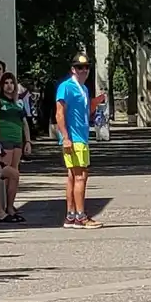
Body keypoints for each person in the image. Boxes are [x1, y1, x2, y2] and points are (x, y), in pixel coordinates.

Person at [56, 55, 100, 228]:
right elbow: (59, 113)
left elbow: (84, 112)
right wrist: (66, 137)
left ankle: (71, 215)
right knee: (80, 176)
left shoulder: (84, 89)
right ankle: (80, 216)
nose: (84, 70)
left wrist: (95, 104)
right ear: (73, 69)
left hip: (81, 136)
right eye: (80, 67)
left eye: (86, 67)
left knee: (73, 177)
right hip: (74, 138)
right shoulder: (66, 87)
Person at [0, 72, 30, 222]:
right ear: (2, 85)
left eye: (11, 83)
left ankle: (11, 206)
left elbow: (24, 123)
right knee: (5, 173)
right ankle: (1, 207)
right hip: (5, 140)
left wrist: (28, 141)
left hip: (18, 141)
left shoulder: (19, 102)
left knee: (14, 174)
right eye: (6, 83)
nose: (9, 86)